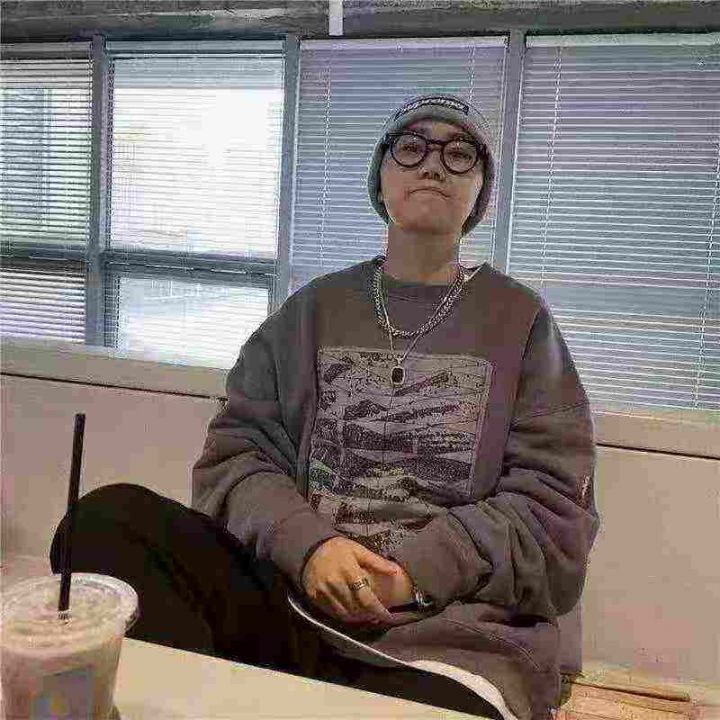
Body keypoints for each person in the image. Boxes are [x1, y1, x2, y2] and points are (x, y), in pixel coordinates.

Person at [50, 94, 599, 720]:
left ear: (480, 191)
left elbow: (552, 507)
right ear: (380, 179)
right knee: (105, 521)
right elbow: (238, 457)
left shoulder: (521, 322)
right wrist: (308, 547)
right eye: (411, 147)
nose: (433, 164)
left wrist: (412, 573)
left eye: (460, 153)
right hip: (291, 606)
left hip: (449, 642)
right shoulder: (311, 312)